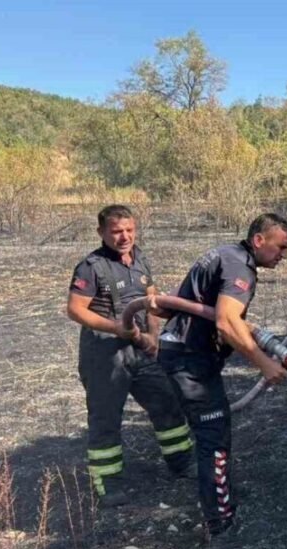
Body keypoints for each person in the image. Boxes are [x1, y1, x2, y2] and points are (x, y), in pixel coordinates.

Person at [157, 213, 287, 540]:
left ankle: (220, 504)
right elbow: (227, 322)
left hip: (188, 355)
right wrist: (264, 363)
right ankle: (220, 523)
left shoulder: (227, 255)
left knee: (216, 431)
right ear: (259, 240)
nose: (284, 255)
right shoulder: (239, 267)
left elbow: (186, 307)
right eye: (281, 247)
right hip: (190, 360)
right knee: (213, 437)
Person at [67, 204, 194, 508]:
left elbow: (151, 301)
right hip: (104, 353)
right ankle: (108, 481)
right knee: (106, 416)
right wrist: (116, 327)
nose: (124, 237)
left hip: (141, 349)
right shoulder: (91, 267)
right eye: (116, 231)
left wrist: (153, 337)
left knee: (167, 403)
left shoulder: (141, 260)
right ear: (101, 233)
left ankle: (182, 463)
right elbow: (75, 309)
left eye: (129, 230)